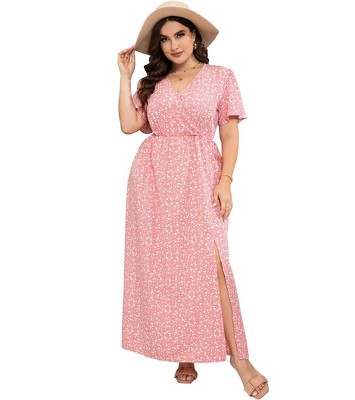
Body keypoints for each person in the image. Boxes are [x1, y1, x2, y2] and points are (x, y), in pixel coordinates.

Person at [117, 2, 269, 398]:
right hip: (152, 182)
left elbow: (230, 133)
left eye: (180, 34)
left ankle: (239, 359)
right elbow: (129, 125)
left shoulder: (221, 77)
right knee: (169, 269)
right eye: (165, 39)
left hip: (202, 176)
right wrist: (125, 76)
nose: (173, 44)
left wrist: (226, 181)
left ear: (195, 36)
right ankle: (185, 354)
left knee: (214, 264)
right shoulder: (152, 83)